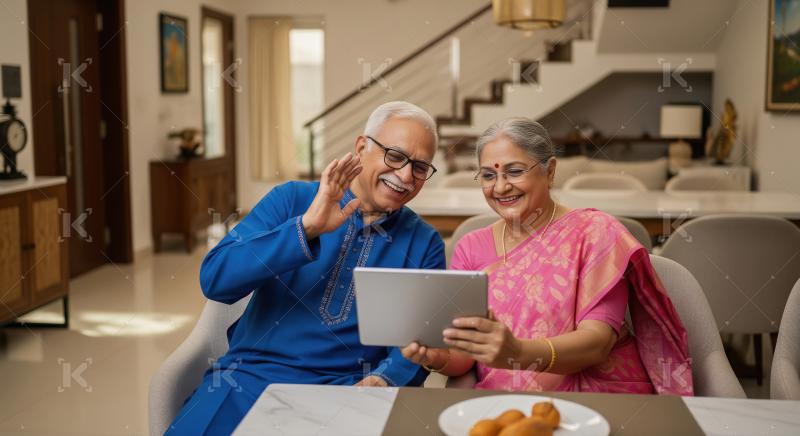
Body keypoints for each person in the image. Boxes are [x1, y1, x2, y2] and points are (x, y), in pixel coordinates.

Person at [168, 101, 445, 435]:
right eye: (395, 156)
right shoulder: (291, 200)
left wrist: (382, 380)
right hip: (249, 378)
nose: (405, 176)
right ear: (361, 147)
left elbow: (417, 343)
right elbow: (216, 280)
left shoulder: (425, 242)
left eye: (419, 167)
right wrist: (307, 227)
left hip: (347, 390)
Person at [402, 117, 693, 395]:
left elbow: (598, 343)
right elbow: (466, 356)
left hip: (596, 396)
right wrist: (436, 356)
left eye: (515, 171)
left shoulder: (595, 233)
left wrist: (517, 353)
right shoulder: (470, 247)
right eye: (489, 175)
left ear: (550, 171)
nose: (500, 187)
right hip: (504, 403)